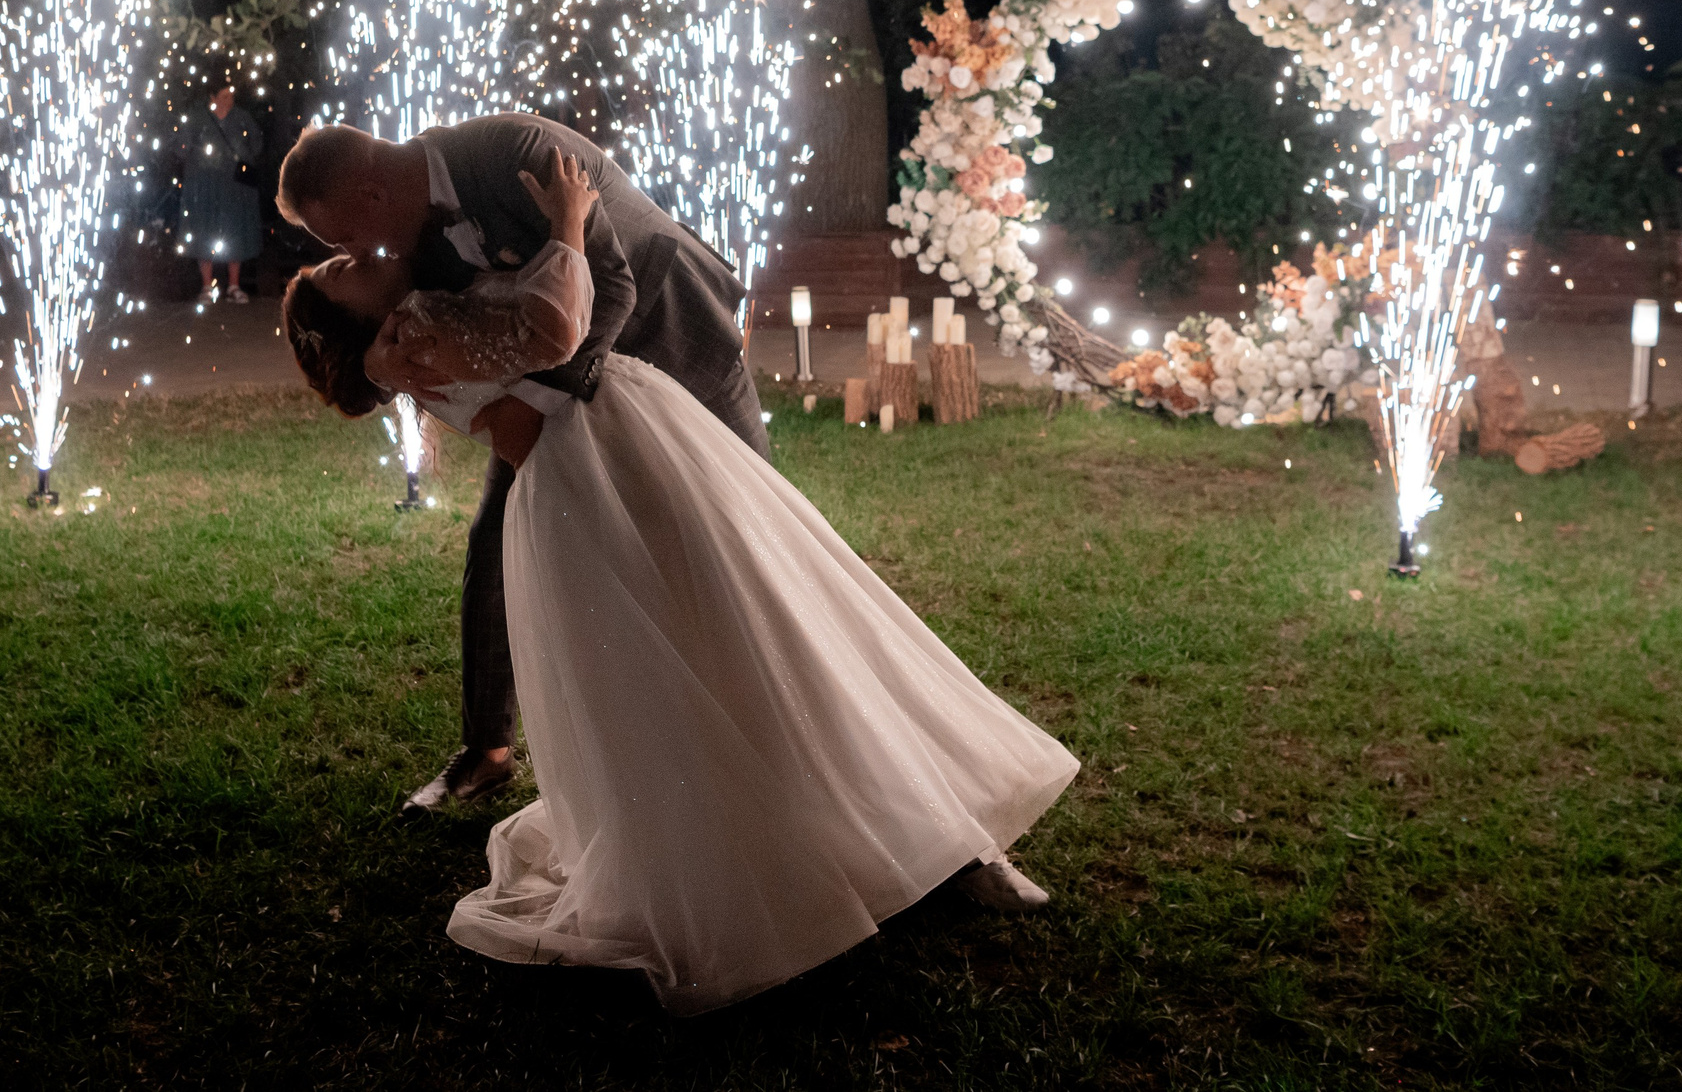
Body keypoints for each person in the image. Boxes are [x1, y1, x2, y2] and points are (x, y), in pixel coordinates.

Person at [282, 147, 1078, 1015]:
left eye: (337, 243)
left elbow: (572, 318)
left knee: (766, 612)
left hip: (629, 436)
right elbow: (554, 330)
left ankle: (919, 833)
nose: (350, 254)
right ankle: (810, 837)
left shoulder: (447, 239)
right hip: (605, 466)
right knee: (738, 629)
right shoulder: (406, 334)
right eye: (336, 265)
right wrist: (569, 224)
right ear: (352, 324)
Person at [276, 113, 769, 813]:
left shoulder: (519, 154)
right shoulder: (414, 252)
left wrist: (537, 407)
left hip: (668, 317)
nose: (349, 250)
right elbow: (401, 337)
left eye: (339, 240)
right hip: (567, 397)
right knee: (495, 545)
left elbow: (613, 290)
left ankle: (797, 705)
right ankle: (487, 748)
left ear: (372, 194)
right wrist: (387, 366)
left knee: (764, 522)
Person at [179, 84, 263, 304]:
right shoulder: (198, 118)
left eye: (231, 96)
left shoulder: (242, 117)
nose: (229, 100)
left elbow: (256, 143)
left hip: (235, 187)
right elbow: (181, 146)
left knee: (235, 231)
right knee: (204, 231)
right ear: (212, 96)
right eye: (224, 96)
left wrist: (243, 158)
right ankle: (207, 286)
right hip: (204, 185)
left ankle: (233, 286)